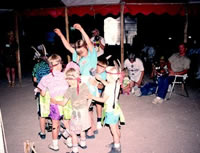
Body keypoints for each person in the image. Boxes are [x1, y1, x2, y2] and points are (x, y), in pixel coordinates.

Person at [54, 23, 98, 138]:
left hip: (90, 83)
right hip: (79, 83)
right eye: (78, 50)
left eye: (81, 49)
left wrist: (81, 29)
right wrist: (60, 35)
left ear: (85, 47)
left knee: (88, 108)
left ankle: (91, 129)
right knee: (82, 109)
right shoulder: (76, 56)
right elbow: (68, 46)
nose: (79, 52)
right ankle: (86, 128)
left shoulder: (92, 55)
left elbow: (89, 42)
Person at [52, 66, 91, 153]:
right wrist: (86, 107)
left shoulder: (69, 90)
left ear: (69, 79)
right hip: (84, 111)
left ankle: (75, 149)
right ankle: (83, 143)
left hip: (76, 113)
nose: (66, 81)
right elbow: (90, 98)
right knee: (82, 129)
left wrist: (54, 101)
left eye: (66, 79)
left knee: (73, 132)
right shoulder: (84, 85)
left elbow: (63, 103)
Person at [89, 66, 125, 153]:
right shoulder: (117, 83)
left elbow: (102, 100)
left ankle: (117, 147)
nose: (106, 76)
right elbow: (108, 84)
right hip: (116, 109)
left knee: (113, 130)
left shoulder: (108, 88)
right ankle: (116, 142)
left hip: (110, 111)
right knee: (116, 127)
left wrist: (91, 96)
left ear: (110, 76)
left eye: (107, 74)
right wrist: (101, 79)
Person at [37, 54, 69, 151]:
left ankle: (55, 145)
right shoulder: (66, 75)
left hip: (54, 104)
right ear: (60, 65)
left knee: (55, 124)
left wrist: (42, 90)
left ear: (50, 66)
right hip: (66, 102)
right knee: (67, 122)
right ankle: (71, 141)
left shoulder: (46, 78)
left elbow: (42, 94)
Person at [31, 44, 50, 139]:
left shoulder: (36, 66)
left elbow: (35, 79)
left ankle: (43, 133)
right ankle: (58, 133)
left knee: (42, 112)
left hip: (42, 90)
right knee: (53, 108)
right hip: (52, 90)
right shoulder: (51, 64)